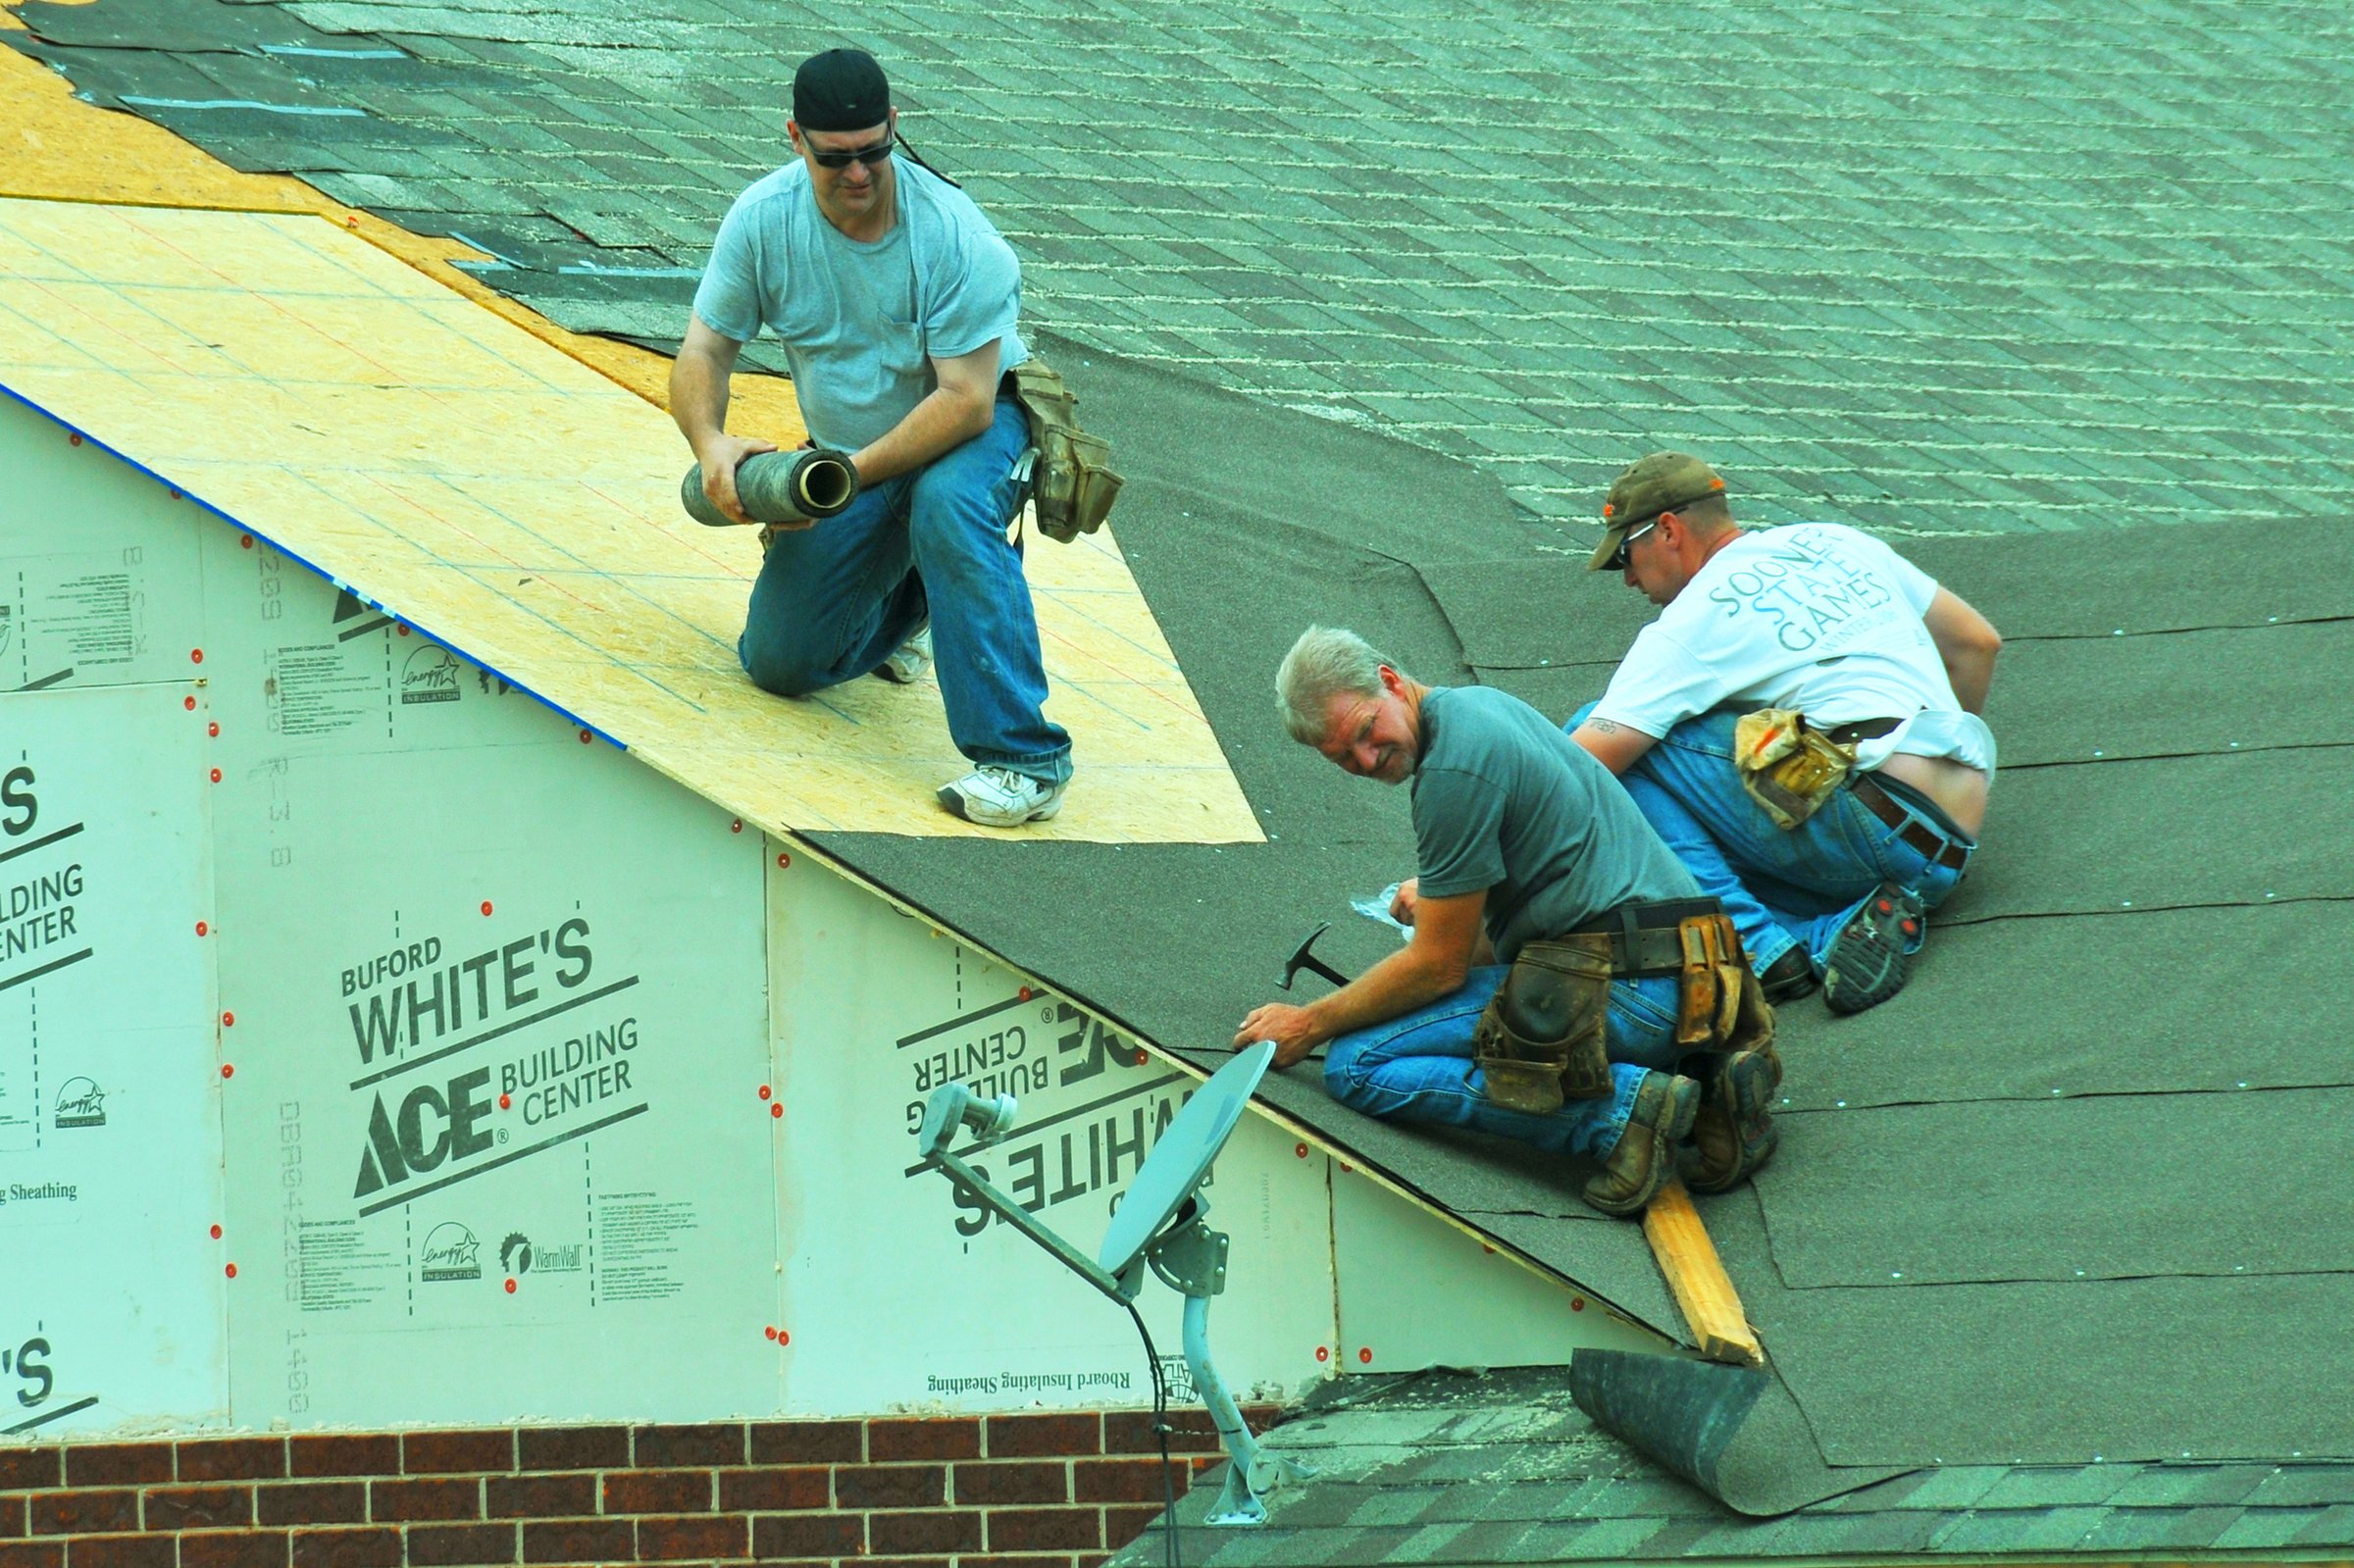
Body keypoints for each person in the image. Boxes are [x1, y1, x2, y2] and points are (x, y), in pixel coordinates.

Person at [1233, 628, 1781, 1217]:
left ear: (1390, 681)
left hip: (1637, 990)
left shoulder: (1452, 776)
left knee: (1356, 1064)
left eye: (1366, 731)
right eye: (1341, 756)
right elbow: (1493, 943)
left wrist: (1310, 1023)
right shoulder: (1484, 708)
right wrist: (1449, 900)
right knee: (1473, 998)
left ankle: (1624, 1115)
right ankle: (1708, 1084)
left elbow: (1439, 968)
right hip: (1707, 980)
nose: (1365, 759)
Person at [670, 47, 1073, 828]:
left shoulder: (958, 239)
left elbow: (964, 401)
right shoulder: (762, 222)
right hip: (853, 454)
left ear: (895, 127)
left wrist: (847, 476)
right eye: (835, 160)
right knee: (778, 662)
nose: (858, 175)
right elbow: (703, 351)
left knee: (949, 507)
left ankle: (1027, 759)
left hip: (972, 430)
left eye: (873, 153)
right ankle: (918, 601)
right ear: (795, 138)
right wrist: (710, 445)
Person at [1569, 452, 2003, 1014]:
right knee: (1719, 814)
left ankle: (1756, 944)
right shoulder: (1835, 540)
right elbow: (1977, 643)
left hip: (1866, 827)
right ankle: (1842, 927)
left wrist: (1450, 888)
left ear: (1669, 531)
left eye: (1626, 555)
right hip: (1951, 847)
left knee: (1598, 735)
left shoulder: (1693, 619)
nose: (1628, 578)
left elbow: (1572, 769)